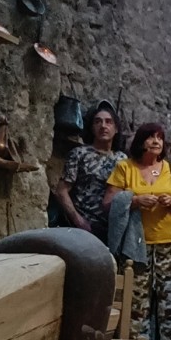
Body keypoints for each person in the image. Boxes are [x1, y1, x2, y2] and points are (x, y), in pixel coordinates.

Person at [103, 122, 171, 340]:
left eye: (160, 138)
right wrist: (134, 200)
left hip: (168, 241)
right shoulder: (125, 168)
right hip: (136, 242)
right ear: (140, 141)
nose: (156, 142)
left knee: (169, 296)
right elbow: (109, 203)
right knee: (137, 296)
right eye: (151, 137)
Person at [52, 101, 126, 243]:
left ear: (116, 129)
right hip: (82, 227)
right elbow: (62, 191)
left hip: (111, 229)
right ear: (92, 127)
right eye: (98, 122)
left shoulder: (122, 159)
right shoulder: (79, 154)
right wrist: (78, 220)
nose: (103, 126)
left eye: (108, 122)